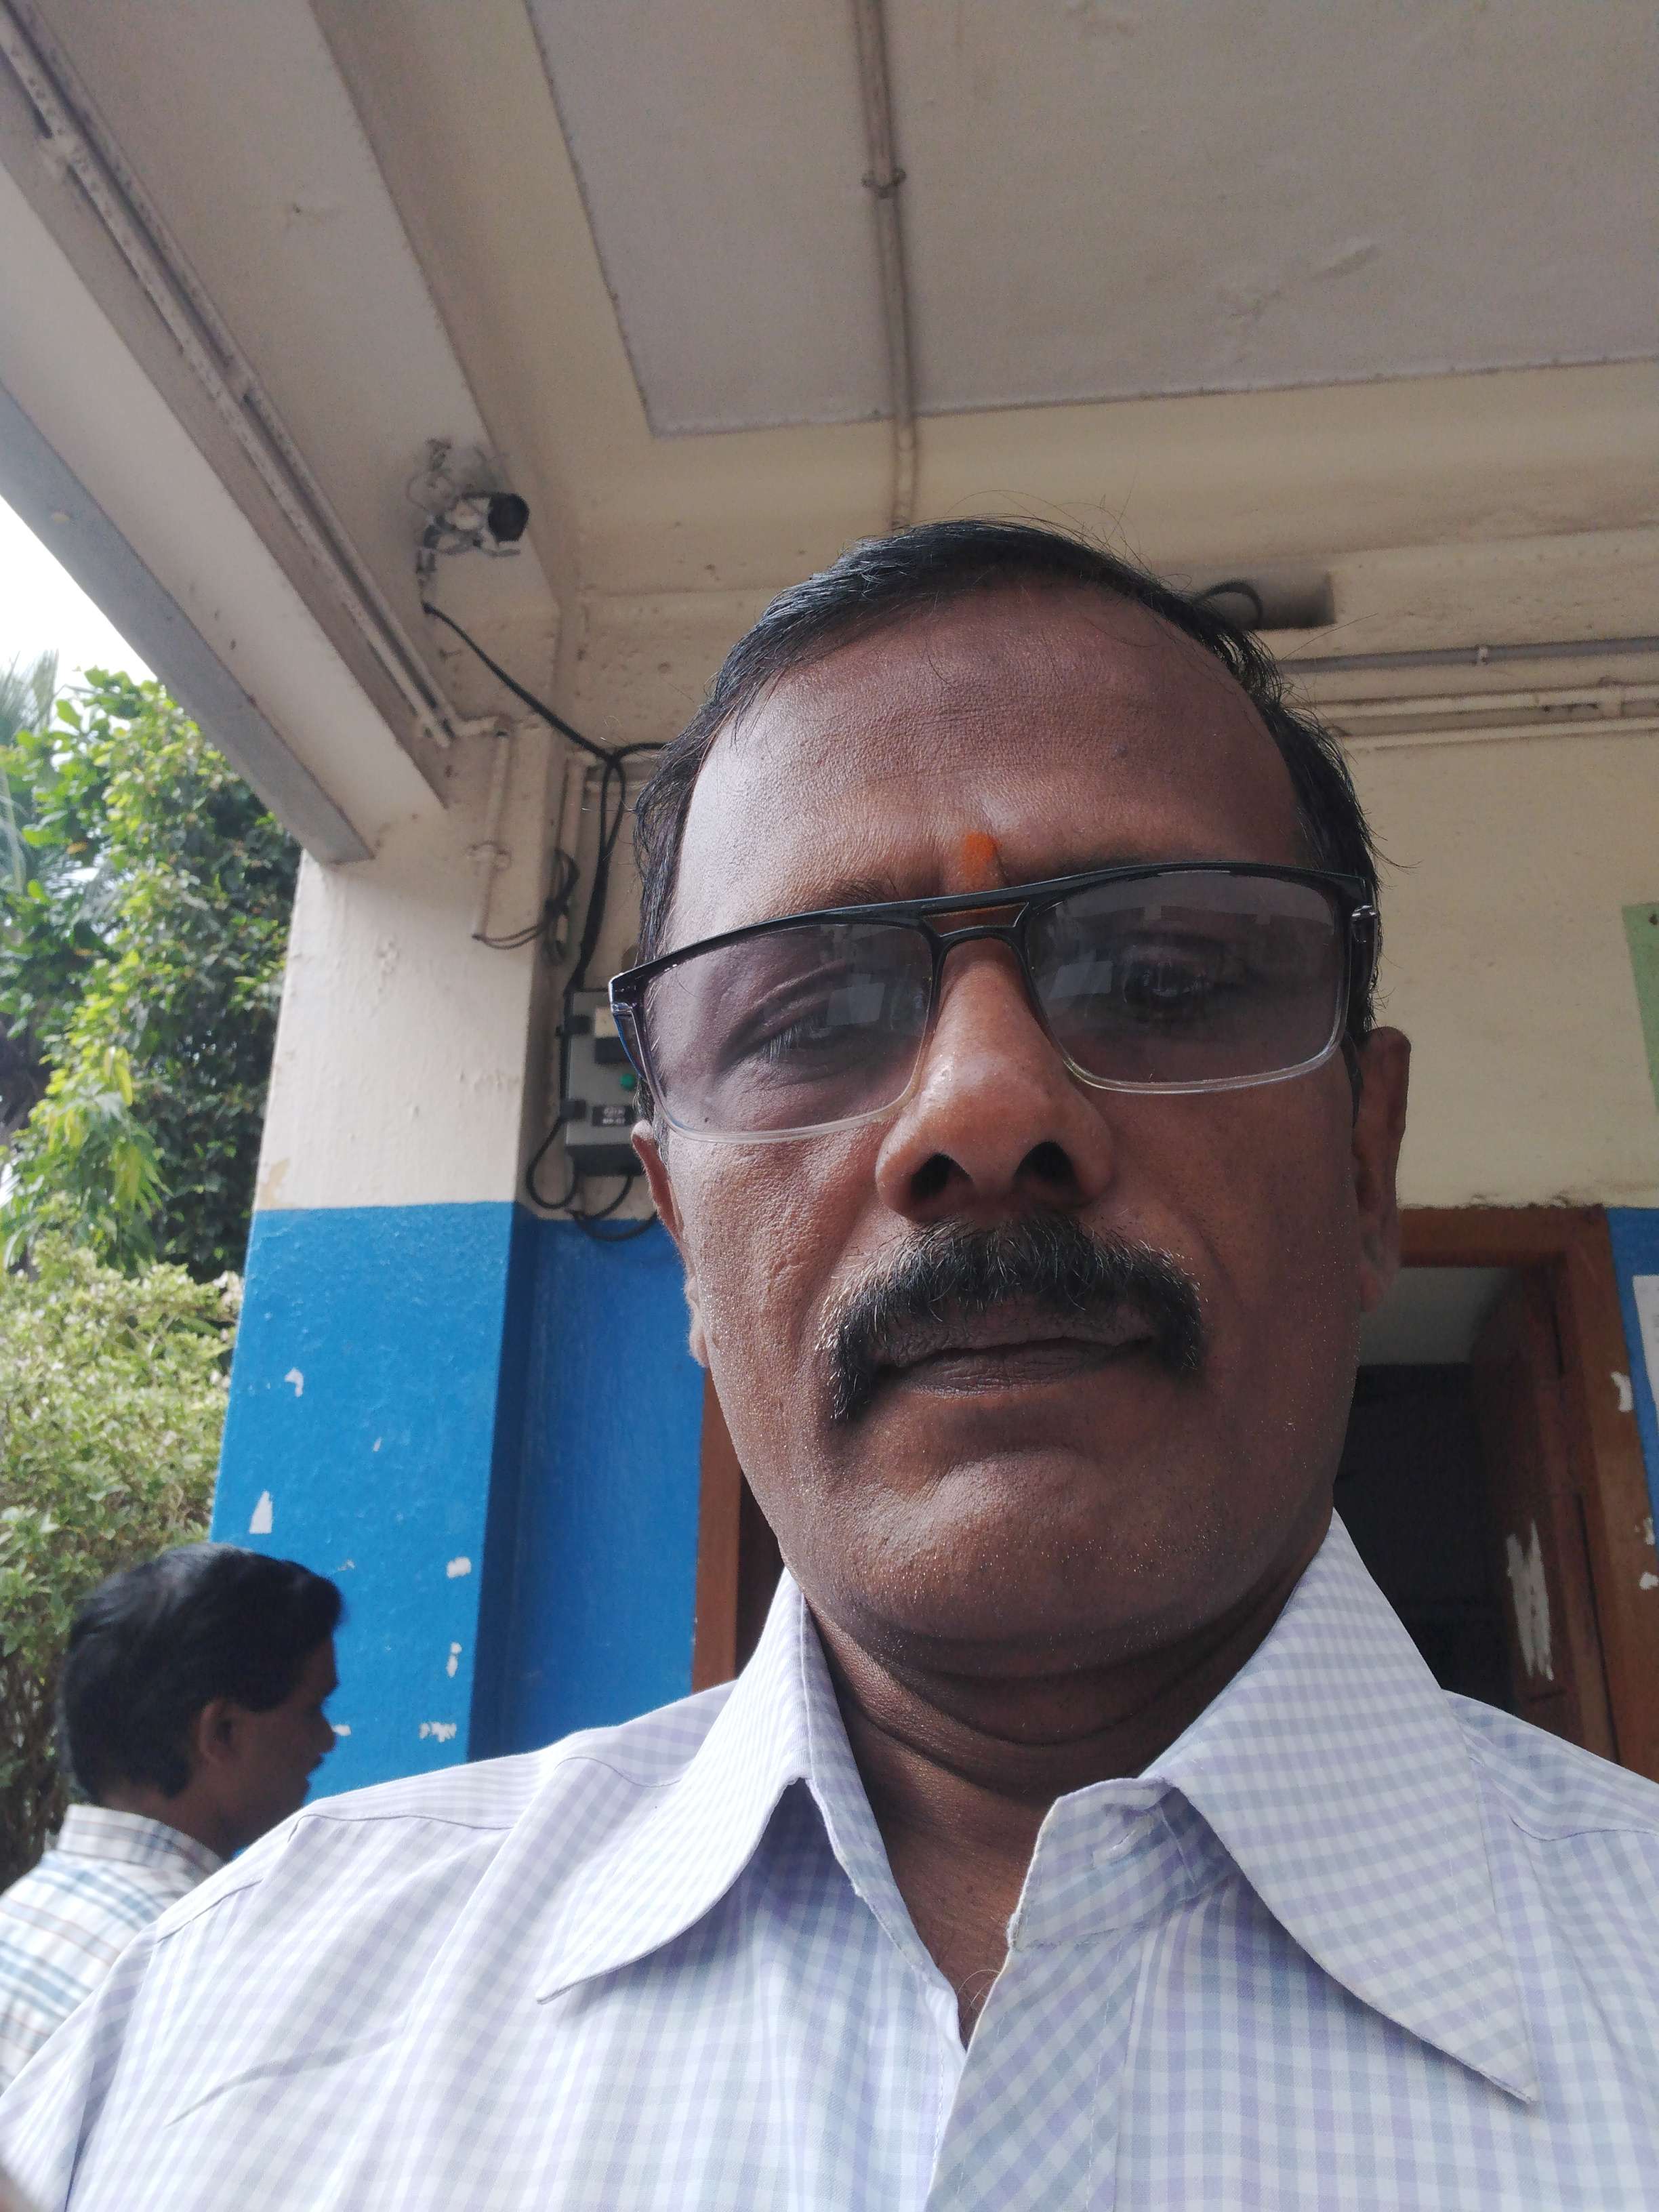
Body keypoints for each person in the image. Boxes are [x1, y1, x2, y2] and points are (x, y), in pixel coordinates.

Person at [6, 520, 1659, 2207]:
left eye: (1161, 981)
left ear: (1364, 1166)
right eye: (808, 1018)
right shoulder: (202, 2056)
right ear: (680, 1235)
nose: (983, 1110)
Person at [0, 1545, 340, 2091]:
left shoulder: (27, 1909)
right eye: (313, 1709)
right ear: (221, 1731)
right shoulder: (202, 1960)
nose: (326, 1741)